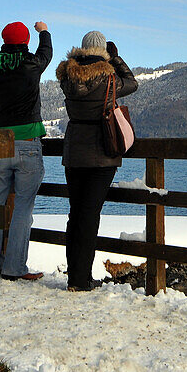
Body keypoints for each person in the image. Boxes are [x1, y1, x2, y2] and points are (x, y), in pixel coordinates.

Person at [56, 30, 138, 291]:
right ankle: (82, 280)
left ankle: (74, 278)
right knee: (90, 216)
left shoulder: (67, 76)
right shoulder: (110, 79)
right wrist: (116, 59)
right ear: (104, 50)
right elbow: (133, 83)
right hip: (102, 151)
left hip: (74, 150)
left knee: (75, 214)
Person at [0, 20, 52, 281]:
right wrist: (43, 31)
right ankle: (14, 268)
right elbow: (47, 53)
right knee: (23, 206)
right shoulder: (31, 64)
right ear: (24, 42)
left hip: (1, 137)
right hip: (27, 138)